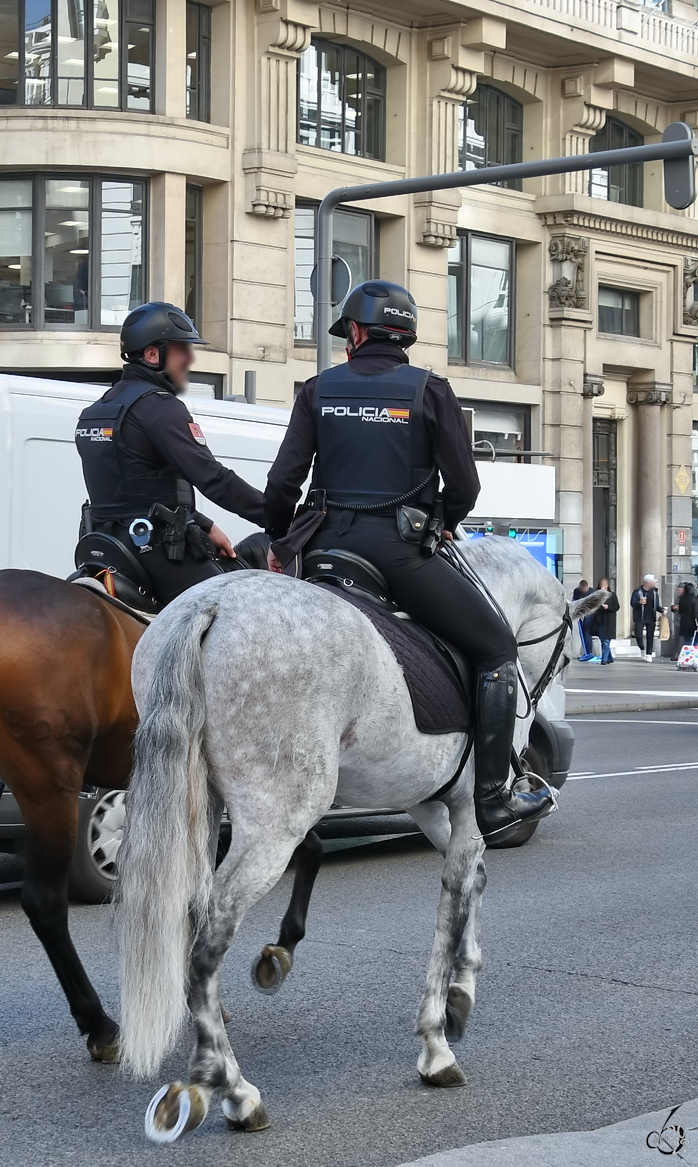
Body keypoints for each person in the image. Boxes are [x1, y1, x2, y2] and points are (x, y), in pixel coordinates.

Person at [263, 279, 555, 839]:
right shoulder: (430, 390)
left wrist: (282, 540)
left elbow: (282, 485)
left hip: (325, 551)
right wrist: (441, 520)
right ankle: (492, 795)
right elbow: (465, 485)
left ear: (354, 331)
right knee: (495, 647)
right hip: (397, 554)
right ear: (404, 334)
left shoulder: (317, 389)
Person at [75, 301, 265, 607]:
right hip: (154, 551)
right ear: (153, 354)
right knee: (237, 611)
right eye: (182, 349)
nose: (190, 358)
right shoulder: (159, 408)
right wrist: (276, 515)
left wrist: (203, 524)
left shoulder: (95, 411)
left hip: (105, 546)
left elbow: (134, 489)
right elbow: (213, 478)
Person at [630, 574, 664, 662]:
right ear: (648, 583)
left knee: (650, 636)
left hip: (651, 617)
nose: (654, 584)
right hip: (640, 617)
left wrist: (662, 610)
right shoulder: (637, 591)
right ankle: (642, 649)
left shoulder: (654, 592)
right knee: (638, 634)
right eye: (653, 582)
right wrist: (639, 602)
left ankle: (649, 653)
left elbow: (656, 605)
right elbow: (632, 603)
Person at [591, 578, 619, 664]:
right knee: (603, 640)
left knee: (606, 641)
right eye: (601, 584)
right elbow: (593, 606)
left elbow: (616, 607)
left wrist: (608, 607)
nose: (602, 585)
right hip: (600, 621)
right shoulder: (596, 595)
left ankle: (604, 659)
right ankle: (609, 658)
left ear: (607, 585)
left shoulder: (612, 595)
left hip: (609, 621)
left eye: (604, 584)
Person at [572, 579, 596, 660]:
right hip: (580, 614)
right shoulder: (576, 591)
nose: (583, 591)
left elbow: (594, 605)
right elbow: (575, 601)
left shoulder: (592, 592)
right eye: (581, 589)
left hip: (589, 613)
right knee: (581, 632)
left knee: (587, 633)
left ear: (587, 587)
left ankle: (589, 652)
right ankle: (585, 652)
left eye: (584, 589)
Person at [672, 581, 696, 659]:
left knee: (687, 641)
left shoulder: (682, 599)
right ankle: (694, 657)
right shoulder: (694, 599)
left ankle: (687, 657)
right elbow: (695, 612)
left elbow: (681, 610)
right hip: (693, 623)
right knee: (695, 642)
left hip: (684, 622)